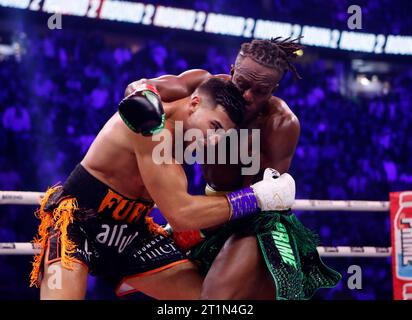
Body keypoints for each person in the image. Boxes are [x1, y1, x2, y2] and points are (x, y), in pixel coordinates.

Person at [30, 77, 296, 299]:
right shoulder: (150, 128)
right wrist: (257, 197)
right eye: (214, 127)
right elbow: (181, 214)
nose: (214, 140)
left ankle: (128, 276)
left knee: (211, 299)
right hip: (78, 226)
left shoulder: (190, 135)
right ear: (194, 104)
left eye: (222, 135)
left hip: (131, 236)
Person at [126, 37, 341, 299]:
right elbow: (140, 87)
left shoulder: (279, 123)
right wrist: (145, 101)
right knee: (131, 269)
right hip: (211, 206)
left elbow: (263, 197)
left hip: (256, 218)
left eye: (260, 91)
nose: (248, 96)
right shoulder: (204, 86)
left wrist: (196, 227)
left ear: (274, 88)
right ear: (231, 71)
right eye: (243, 84)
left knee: (215, 298)